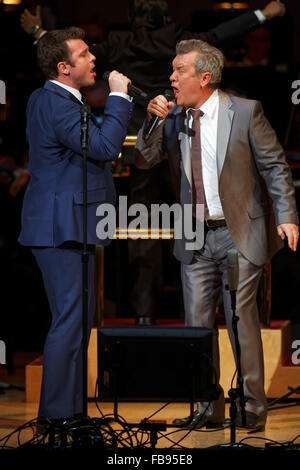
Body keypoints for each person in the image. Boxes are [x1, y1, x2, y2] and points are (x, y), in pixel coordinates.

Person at [20, 1, 287, 326]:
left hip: (137, 146)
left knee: (142, 232)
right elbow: (221, 34)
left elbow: (64, 57)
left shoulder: (119, 42)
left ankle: (145, 314)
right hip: (175, 137)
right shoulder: (176, 37)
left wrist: (38, 32)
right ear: (165, 15)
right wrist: (263, 14)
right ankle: (194, 317)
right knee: (198, 224)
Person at [134, 39, 299, 430]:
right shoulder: (173, 117)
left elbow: (275, 166)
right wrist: (152, 119)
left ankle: (252, 407)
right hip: (195, 235)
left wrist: (288, 216)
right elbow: (142, 159)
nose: (171, 78)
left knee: (242, 319)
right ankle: (206, 408)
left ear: (204, 77)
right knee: (196, 326)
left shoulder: (244, 112)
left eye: (180, 71)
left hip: (239, 232)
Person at [18, 27, 133, 422]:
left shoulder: (55, 98)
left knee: (77, 321)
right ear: (64, 67)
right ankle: (58, 419)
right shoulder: (56, 102)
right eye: (84, 55)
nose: (94, 59)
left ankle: (67, 415)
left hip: (69, 224)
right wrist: (118, 97)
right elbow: (103, 147)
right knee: (69, 321)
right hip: (58, 227)